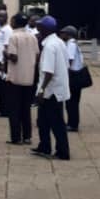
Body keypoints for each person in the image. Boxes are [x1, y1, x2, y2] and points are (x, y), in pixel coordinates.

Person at [34, 16, 70, 160]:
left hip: (51, 91)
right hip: (57, 88)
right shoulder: (59, 42)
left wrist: (42, 90)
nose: (38, 28)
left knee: (56, 122)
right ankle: (44, 146)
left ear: (45, 29)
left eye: (40, 26)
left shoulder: (50, 46)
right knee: (43, 120)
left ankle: (62, 151)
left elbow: (48, 71)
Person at [4, 14, 40, 146]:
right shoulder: (32, 37)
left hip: (15, 77)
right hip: (29, 77)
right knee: (26, 108)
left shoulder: (14, 37)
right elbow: (37, 56)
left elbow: (14, 57)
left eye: (12, 20)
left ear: (15, 23)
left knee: (14, 108)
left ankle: (16, 137)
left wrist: (5, 54)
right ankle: (27, 136)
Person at [61, 26, 87, 131]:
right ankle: (72, 123)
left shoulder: (71, 44)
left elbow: (69, 60)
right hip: (75, 75)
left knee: (71, 102)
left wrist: (64, 74)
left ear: (69, 34)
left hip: (73, 75)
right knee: (73, 101)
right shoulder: (72, 43)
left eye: (63, 33)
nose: (61, 35)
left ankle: (72, 124)